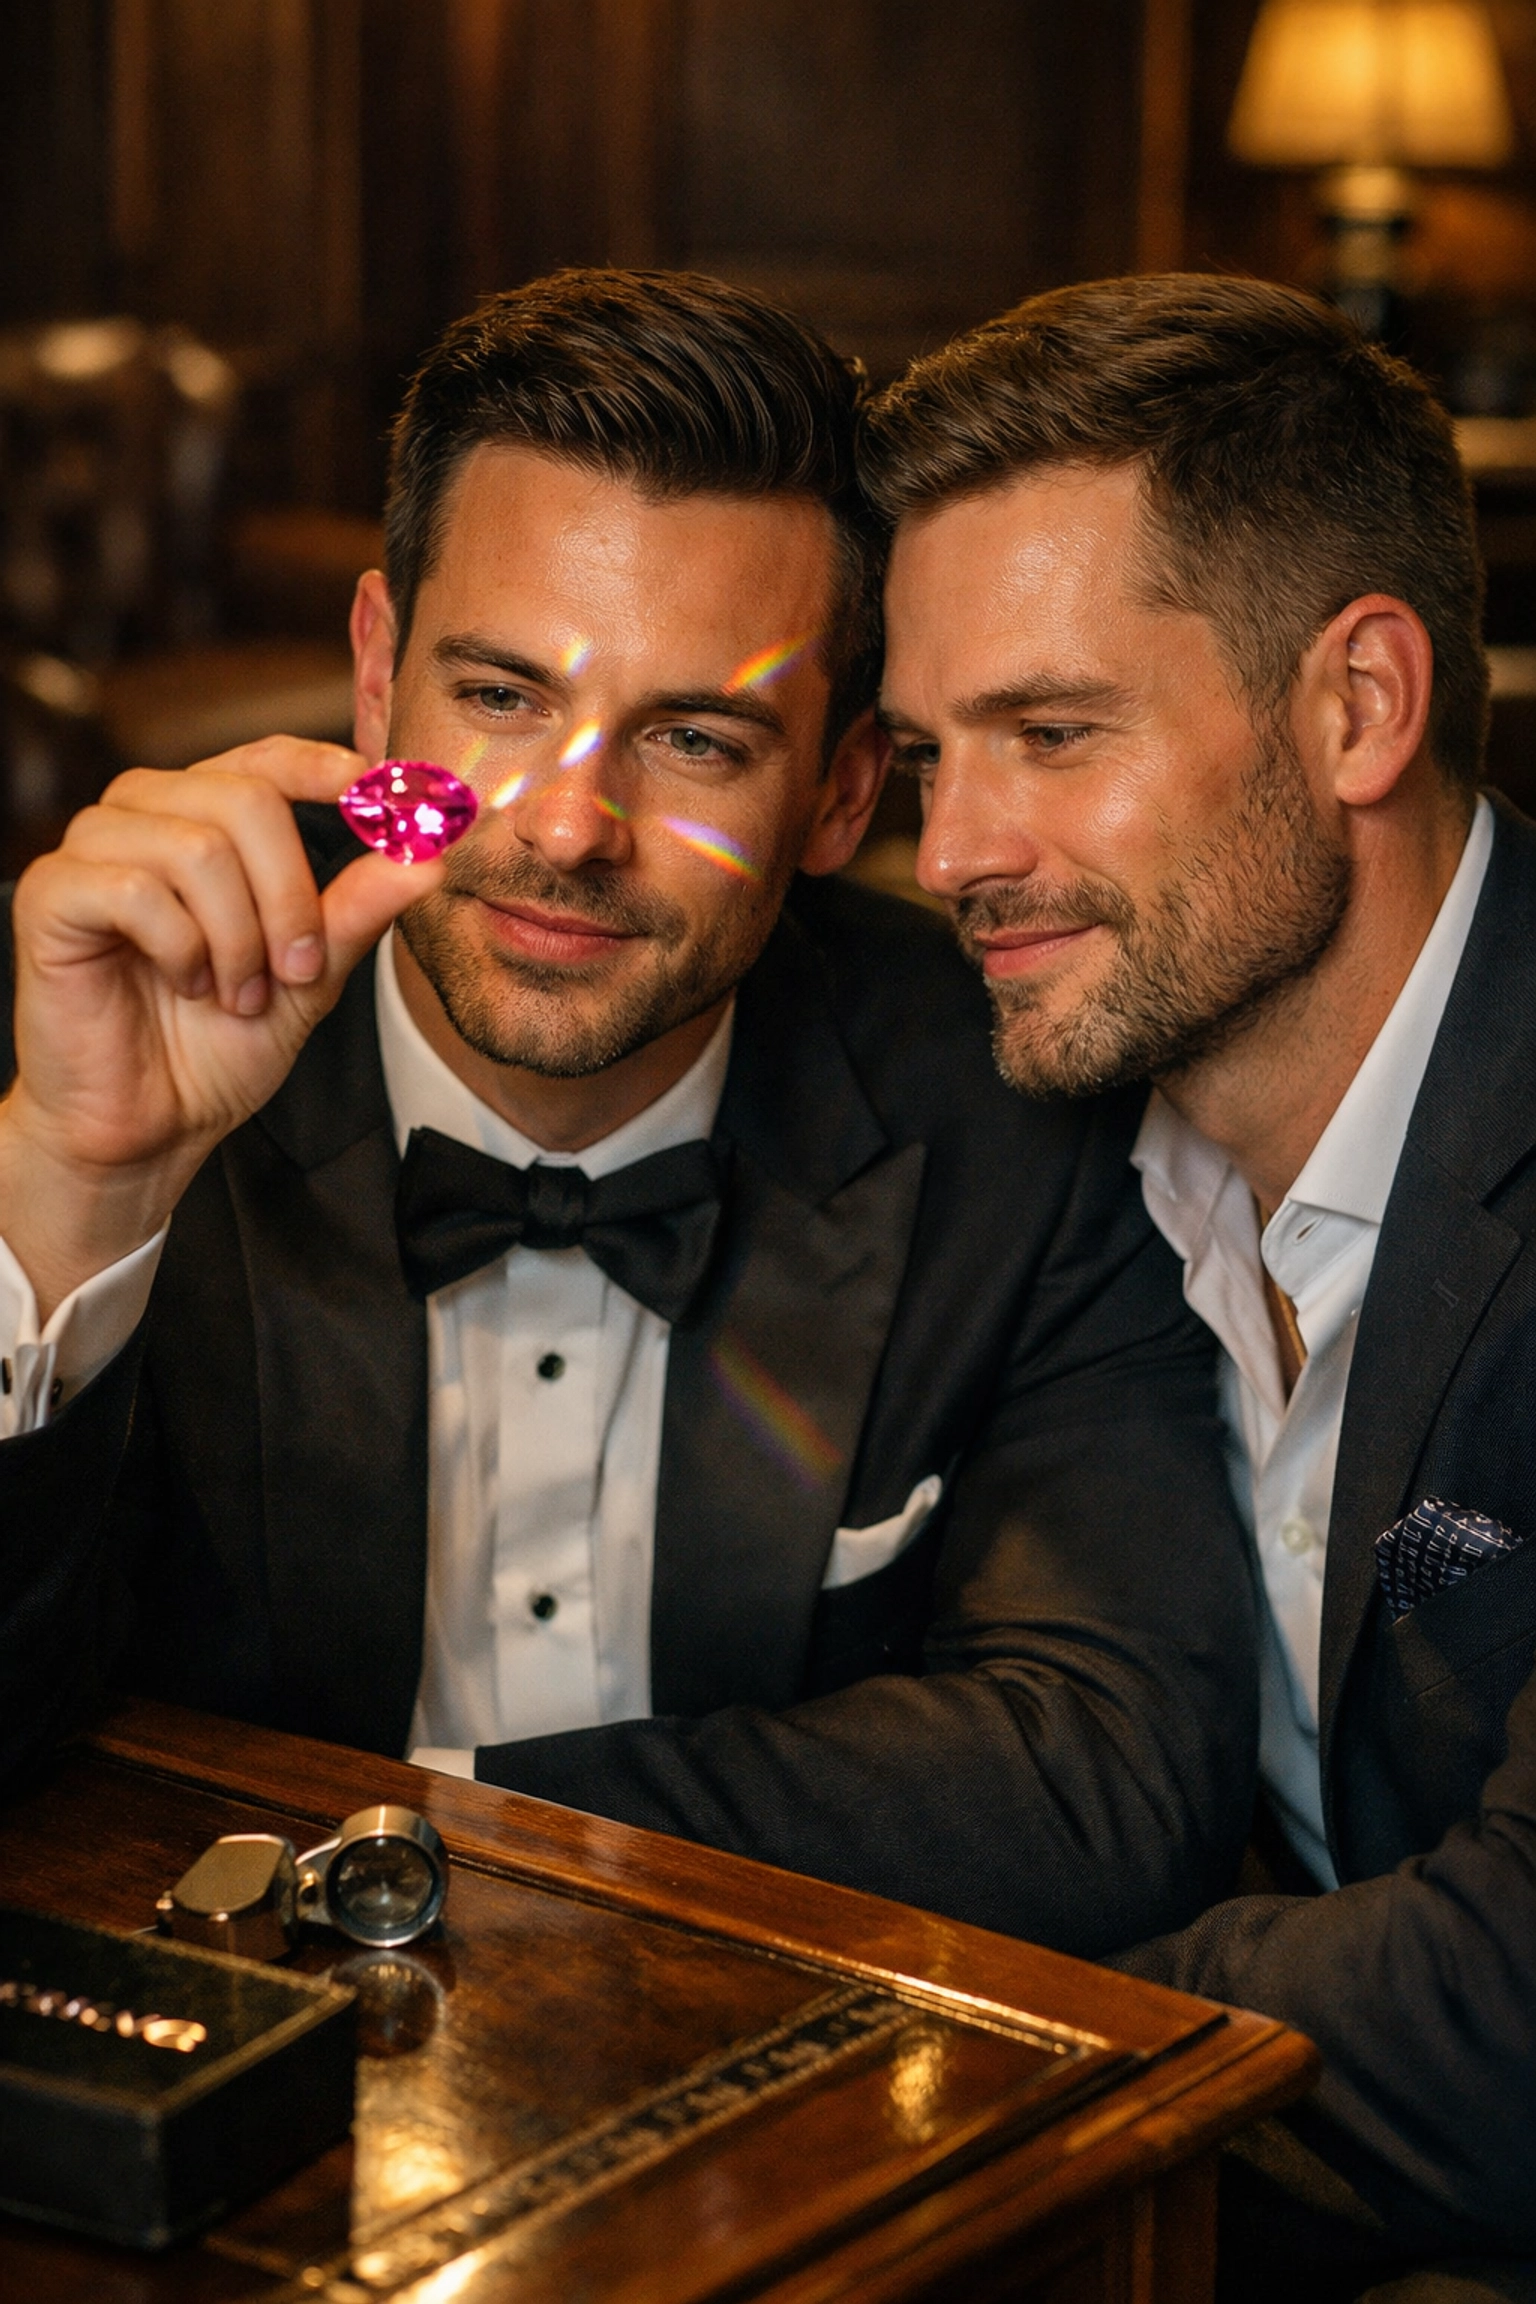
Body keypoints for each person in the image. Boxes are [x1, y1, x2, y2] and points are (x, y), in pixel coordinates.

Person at [0, 268, 1255, 1955]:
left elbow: (1106, 1777)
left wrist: (432, 1831)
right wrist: (74, 1195)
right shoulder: (91, 1018)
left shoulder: (1013, 1097)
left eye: (695, 739)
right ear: (379, 687)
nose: (571, 827)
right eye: (502, 699)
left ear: (839, 794)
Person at [862, 272, 1536, 2296]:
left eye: (1053, 736)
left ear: (1359, 706)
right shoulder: (1029, 1132)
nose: (954, 850)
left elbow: (1508, 2022)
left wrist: (932, 2035)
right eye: (921, 757)